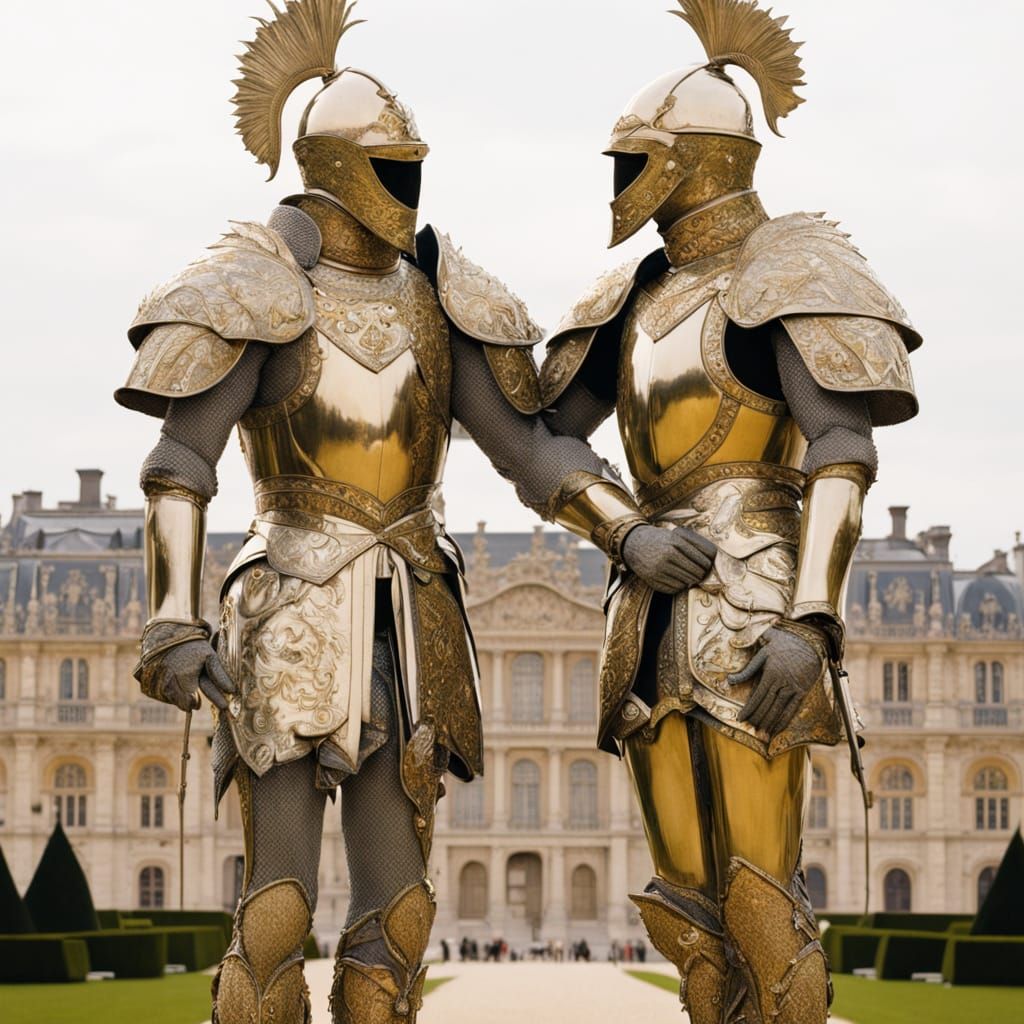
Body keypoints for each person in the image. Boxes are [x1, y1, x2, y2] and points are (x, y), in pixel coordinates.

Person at [114, 3, 712, 1023]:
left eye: (413, 163)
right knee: (277, 907)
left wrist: (625, 528)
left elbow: (529, 452)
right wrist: (172, 615)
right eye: (390, 165)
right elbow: (180, 460)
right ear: (337, 167)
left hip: (416, 614)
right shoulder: (254, 288)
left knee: (398, 915)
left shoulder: (441, 298)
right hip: (291, 599)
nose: (408, 187)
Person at [539, 1, 920, 1021]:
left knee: (760, 892)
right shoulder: (629, 296)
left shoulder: (795, 272)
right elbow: (541, 435)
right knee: (686, 907)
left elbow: (841, 446)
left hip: (756, 595)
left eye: (636, 161)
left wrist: (811, 616)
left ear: (696, 161)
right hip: (647, 610)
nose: (621, 185)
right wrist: (619, 525)